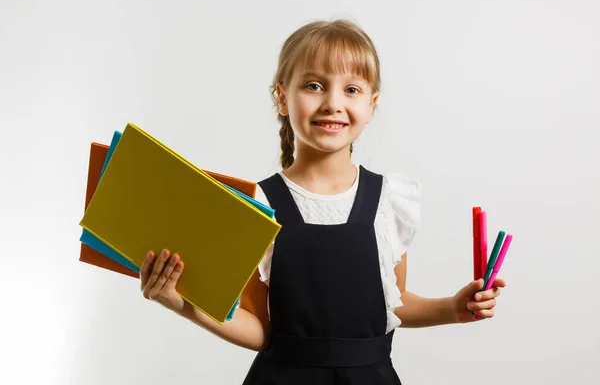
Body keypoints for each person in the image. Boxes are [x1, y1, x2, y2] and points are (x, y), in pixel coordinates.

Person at [138, 19, 506, 384]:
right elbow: (263, 331)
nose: (332, 103)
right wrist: (182, 304)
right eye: (314, 86)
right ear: (282, 97)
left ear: (371, 103)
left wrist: (454, 308)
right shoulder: (256, 204)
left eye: (351, 89)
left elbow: (394, 303)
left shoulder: (389, 200)